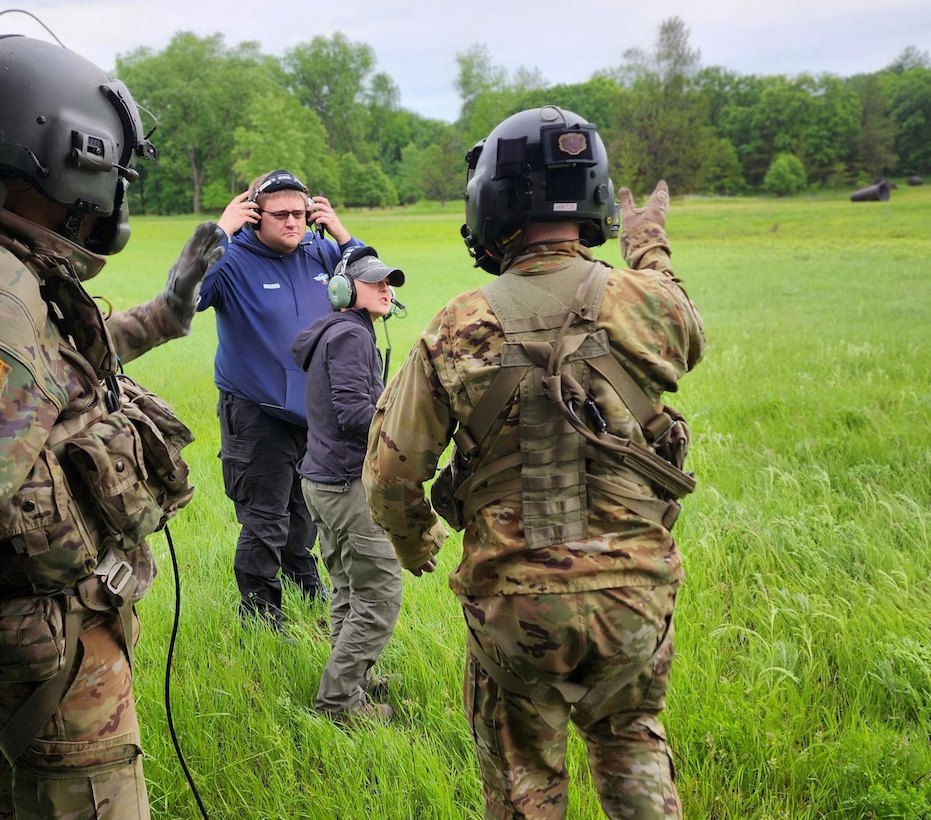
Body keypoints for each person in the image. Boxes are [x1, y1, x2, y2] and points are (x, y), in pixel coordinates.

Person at [0, 29, 227, 819]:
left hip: (39, 651)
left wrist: (163, 316)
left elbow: (46, 377)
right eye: (112, 172)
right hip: (51, 660)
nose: (113, 195)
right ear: (66, 154)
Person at [363, 105, 706, 819]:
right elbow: (681, 317)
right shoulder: (652, 305)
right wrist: (648, 244)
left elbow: (391, 475)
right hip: (634, 601)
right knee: (631, 742)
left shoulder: (456, 324)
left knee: (524, 785)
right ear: (593, 200)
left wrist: (415, 538)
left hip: (515, 610)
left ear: (491, 203)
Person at [198, 169, 364, 628]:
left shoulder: (321, 252)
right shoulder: (231, 259)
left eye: (300, 212)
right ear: (254, 217)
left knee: (304, 511)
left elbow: (373, 287)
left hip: (312, 411)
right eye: (281, 214)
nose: (293, 222)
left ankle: (306, 591)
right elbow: (183, 294)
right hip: (256, 411)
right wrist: (218, 232)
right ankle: (260, 616)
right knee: (264, 518)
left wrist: (341, 233)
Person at [290, 247, 409, 723]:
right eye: (375, 281)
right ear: (343, 291)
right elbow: (354, 414)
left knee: (348, 588)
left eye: (389, 282)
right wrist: (406, 435)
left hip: (321, 482)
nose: (386, 288)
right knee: (380, 593)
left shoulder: (338, 333)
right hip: (344, 485)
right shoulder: (349, 337)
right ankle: (340, 703)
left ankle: (352, 679)